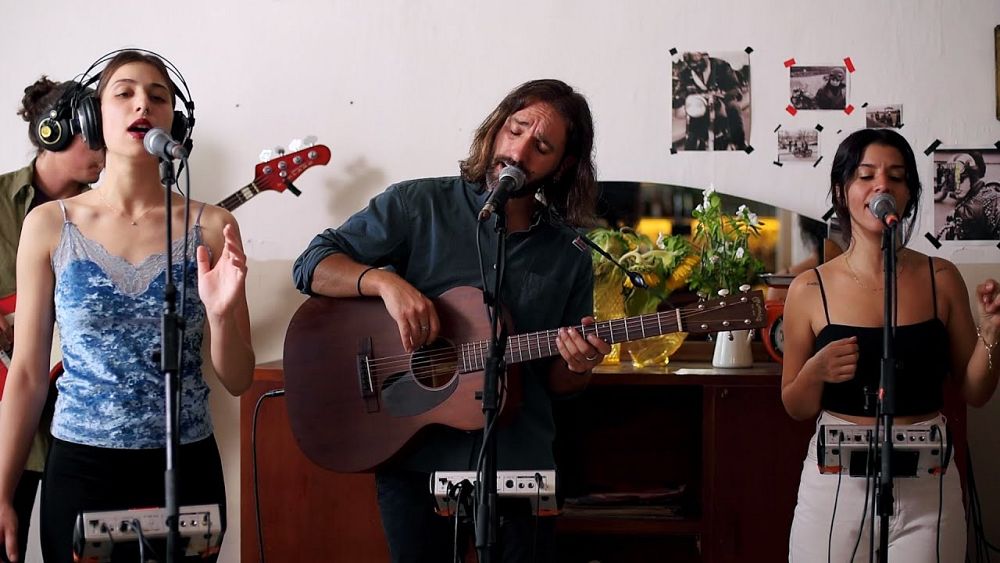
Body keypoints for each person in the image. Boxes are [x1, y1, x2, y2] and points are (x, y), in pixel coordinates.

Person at [293, 78, 611, 562]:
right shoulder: (417, 205)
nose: (519, 151)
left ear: (562, 165)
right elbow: (312, 264)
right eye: (516, 130)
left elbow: (559, 384)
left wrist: (579, 364)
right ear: (497, 127)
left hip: (518, 461)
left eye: (541, 147)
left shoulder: (569, 253)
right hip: (412, 456)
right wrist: (385, 284)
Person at [0, 50, 254, 563]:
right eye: (125, 93)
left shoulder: (213, 225)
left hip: (187, 465)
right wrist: (2, 492)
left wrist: (221, 315)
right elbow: (26, 374)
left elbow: (239, 378)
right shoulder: (49, 224)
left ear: (174, 123)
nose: (143, 105)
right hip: (81, 468)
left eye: (158, 97)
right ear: (93, 117)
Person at [781, 128, 1000, 561]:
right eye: (866, 175)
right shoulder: (809, 288)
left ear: (909, 194)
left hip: (929, 486)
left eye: (896, 177)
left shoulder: (941, 278)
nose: (882, 185)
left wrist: (992, 332)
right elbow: (796, 405)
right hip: (836, 486)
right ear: (842, 192)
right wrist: (816, 371)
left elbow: (975, 391)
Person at [0, 76, 106, 561]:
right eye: (94, 135)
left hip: (77, 424)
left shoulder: (106, 214)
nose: (105, 149)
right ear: (54, 132)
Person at [672, 52, 747, 150]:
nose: (695, 66)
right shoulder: (685, 73)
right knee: (691, 126)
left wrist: (728, 93)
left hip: (720, 102)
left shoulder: (721, 66)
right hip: (699, 105)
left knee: (733, 106)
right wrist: (678, 98)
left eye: (697, 58)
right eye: (692, 63)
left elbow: (735, 86)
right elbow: (680, 90)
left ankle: (739, 143)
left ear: (705, 56)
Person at [938, 151, 1000, 241]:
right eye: (953, 182)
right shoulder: (971, 196)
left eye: (961, 180)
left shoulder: (990, 202)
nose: (957, 188)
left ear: (972, 177)